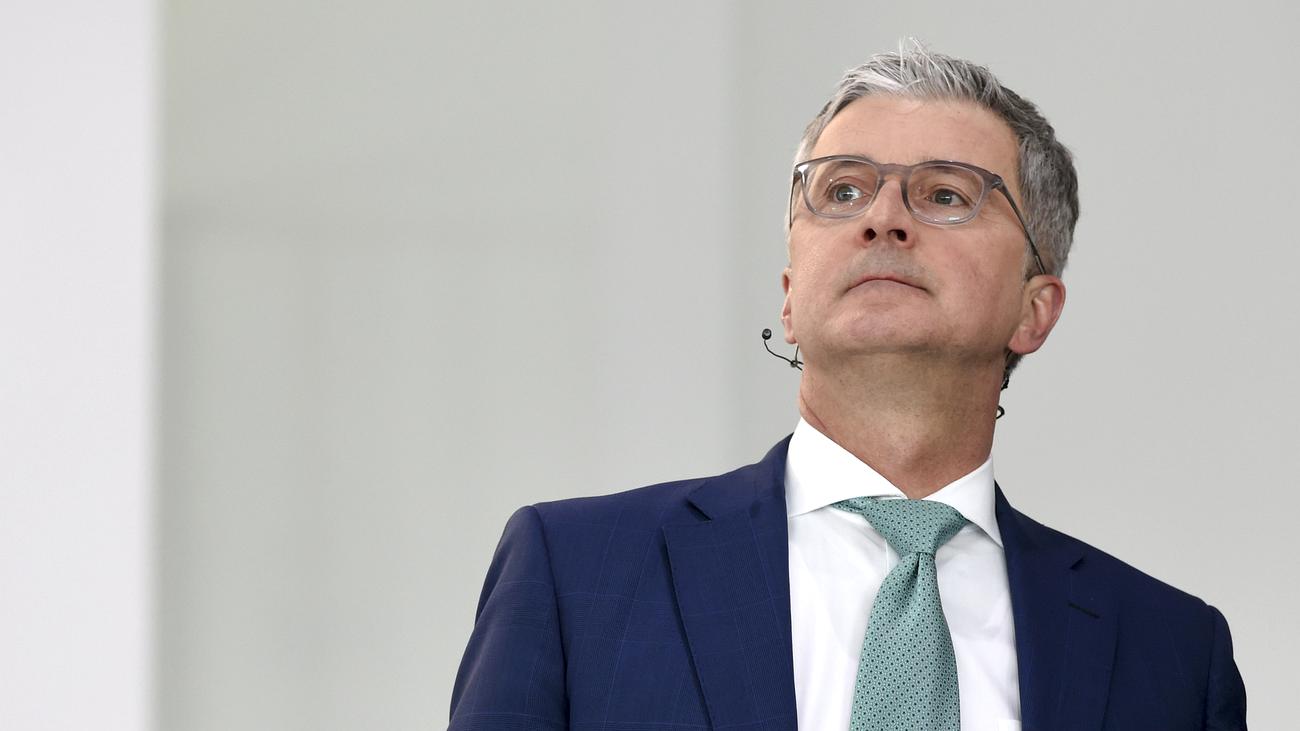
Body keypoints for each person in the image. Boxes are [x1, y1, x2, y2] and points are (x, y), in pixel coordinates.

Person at [448, 44, 1247, 731]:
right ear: (790, 298)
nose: (882, 218)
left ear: (1034, 309)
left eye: (946, 194)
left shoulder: (1171, 651)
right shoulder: (576, 574)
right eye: (842, 191)